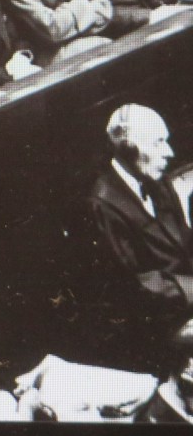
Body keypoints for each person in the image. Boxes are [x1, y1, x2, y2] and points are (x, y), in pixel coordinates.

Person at [87, 105, 193, 371]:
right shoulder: (101, 203)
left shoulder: (157, 181)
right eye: (158, 143)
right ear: (128, 148)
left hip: (184, 303)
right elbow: (135, 284)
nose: (169, 152)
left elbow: (183, 242)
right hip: (153, 325)